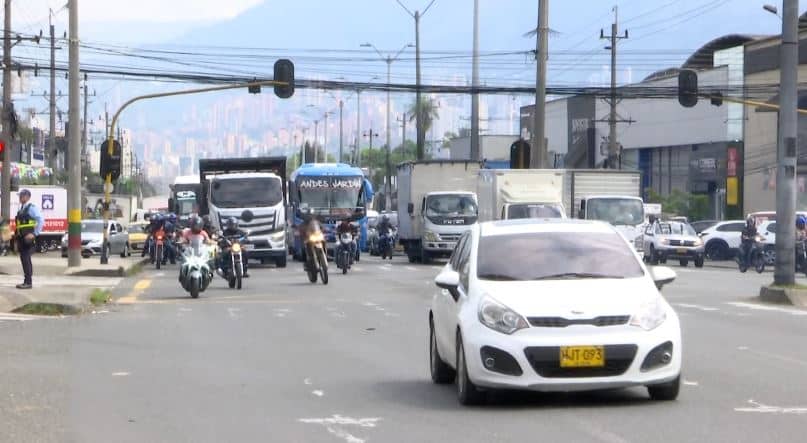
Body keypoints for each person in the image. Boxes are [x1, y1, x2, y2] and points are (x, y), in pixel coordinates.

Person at [15, 189, 45, 289]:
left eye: (22, 196)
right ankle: (26, 281)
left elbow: (40, 219)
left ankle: (28, 282)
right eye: (20, 196)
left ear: (27, 197)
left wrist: (34, 233)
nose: (20, 197)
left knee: (26, 258)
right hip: (21, 238)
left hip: (28, 237)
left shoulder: (31, 208)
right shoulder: (22, 208)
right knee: (24, 259)